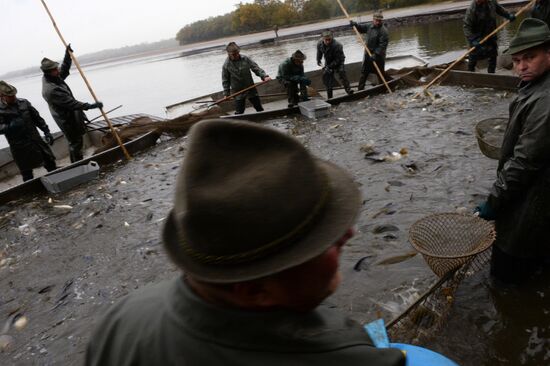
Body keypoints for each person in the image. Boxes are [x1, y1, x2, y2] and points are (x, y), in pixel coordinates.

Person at [85, 119, 406, 366]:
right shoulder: (344, 354)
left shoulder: (120, 322)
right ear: (254, 291)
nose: (348, 233)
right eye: (321, 242)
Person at [475, 18, 550, 284]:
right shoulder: (535, 85)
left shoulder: (546, 100)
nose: (521, 67)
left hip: (532, 208)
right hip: (533, 200)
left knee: (506, 281)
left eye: (530, 57)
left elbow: (524, 162)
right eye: (517, 60)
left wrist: (493, 202)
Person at [41, 45, 103, 163]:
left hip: (69, 114)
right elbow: (71, 103)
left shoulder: (53, 78)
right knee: (75, 142)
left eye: (56, 68)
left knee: (76, 140)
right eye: (55, 69)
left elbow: (64, 70)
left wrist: (67, 55)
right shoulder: (51, 89)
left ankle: (77, 161)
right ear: (49, 72)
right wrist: (90, 106)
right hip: (65, 118)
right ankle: (77, 164)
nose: (58, 70)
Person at [0, 81, 57, 182]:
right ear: (2, 96)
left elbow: (37, 118)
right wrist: (10, 126)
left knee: (50, 162)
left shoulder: (24, 103)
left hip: (36, 140)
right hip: (20, 147)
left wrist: (46, 131)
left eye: (14, 95)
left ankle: (57, 179)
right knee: (26, 172)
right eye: (10, 96)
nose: (13, 97)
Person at [463, 0, 516, 73]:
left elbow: (500, 10)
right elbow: (466, 27)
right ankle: (470, 73)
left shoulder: (492, 2)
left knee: (492, 55)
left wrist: (508, 15)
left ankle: (491, 74)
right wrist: (473, 40)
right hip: (477, 37)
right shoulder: (472, 9)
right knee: (473, 57)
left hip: (490, 33)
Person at [222, 42, 272, 115]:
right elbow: (225, 80)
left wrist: (264, 76)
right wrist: (226, 93)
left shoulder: (245, 59)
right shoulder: (226, 65)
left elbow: (256, 68)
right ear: (229, 54)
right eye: (234, 54)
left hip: (250, 87)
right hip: (238, 90)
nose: (236, 55)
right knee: (239, 111)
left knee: (259, 107)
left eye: (237, 53)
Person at [350, 11, 389, 90]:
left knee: (380, 73)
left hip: (378, 56)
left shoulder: (384, 31)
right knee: (364, 72)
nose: (378, 22)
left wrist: (376, 55)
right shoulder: (369, 26)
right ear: (373, 20)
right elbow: (361, 28)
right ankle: (360, 90)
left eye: (379, 21)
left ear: (382, 21)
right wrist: (355, 25)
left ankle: (384, 88)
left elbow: (382, 46)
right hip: (368, 53)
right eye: (376, 20)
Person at [316, 30, 354, 98]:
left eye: (329, 39)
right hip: (328, 60)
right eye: (326, 40)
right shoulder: (319, 44)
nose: (327, 41)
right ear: (323, 39)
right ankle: (330, 96)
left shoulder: (338, 45)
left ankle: (348, 90)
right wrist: (318, 60)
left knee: (341, 72)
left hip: (339, 61)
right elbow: (319, 53)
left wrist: (329, 67)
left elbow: (338, 60)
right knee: (327, 76)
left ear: (332, 38)